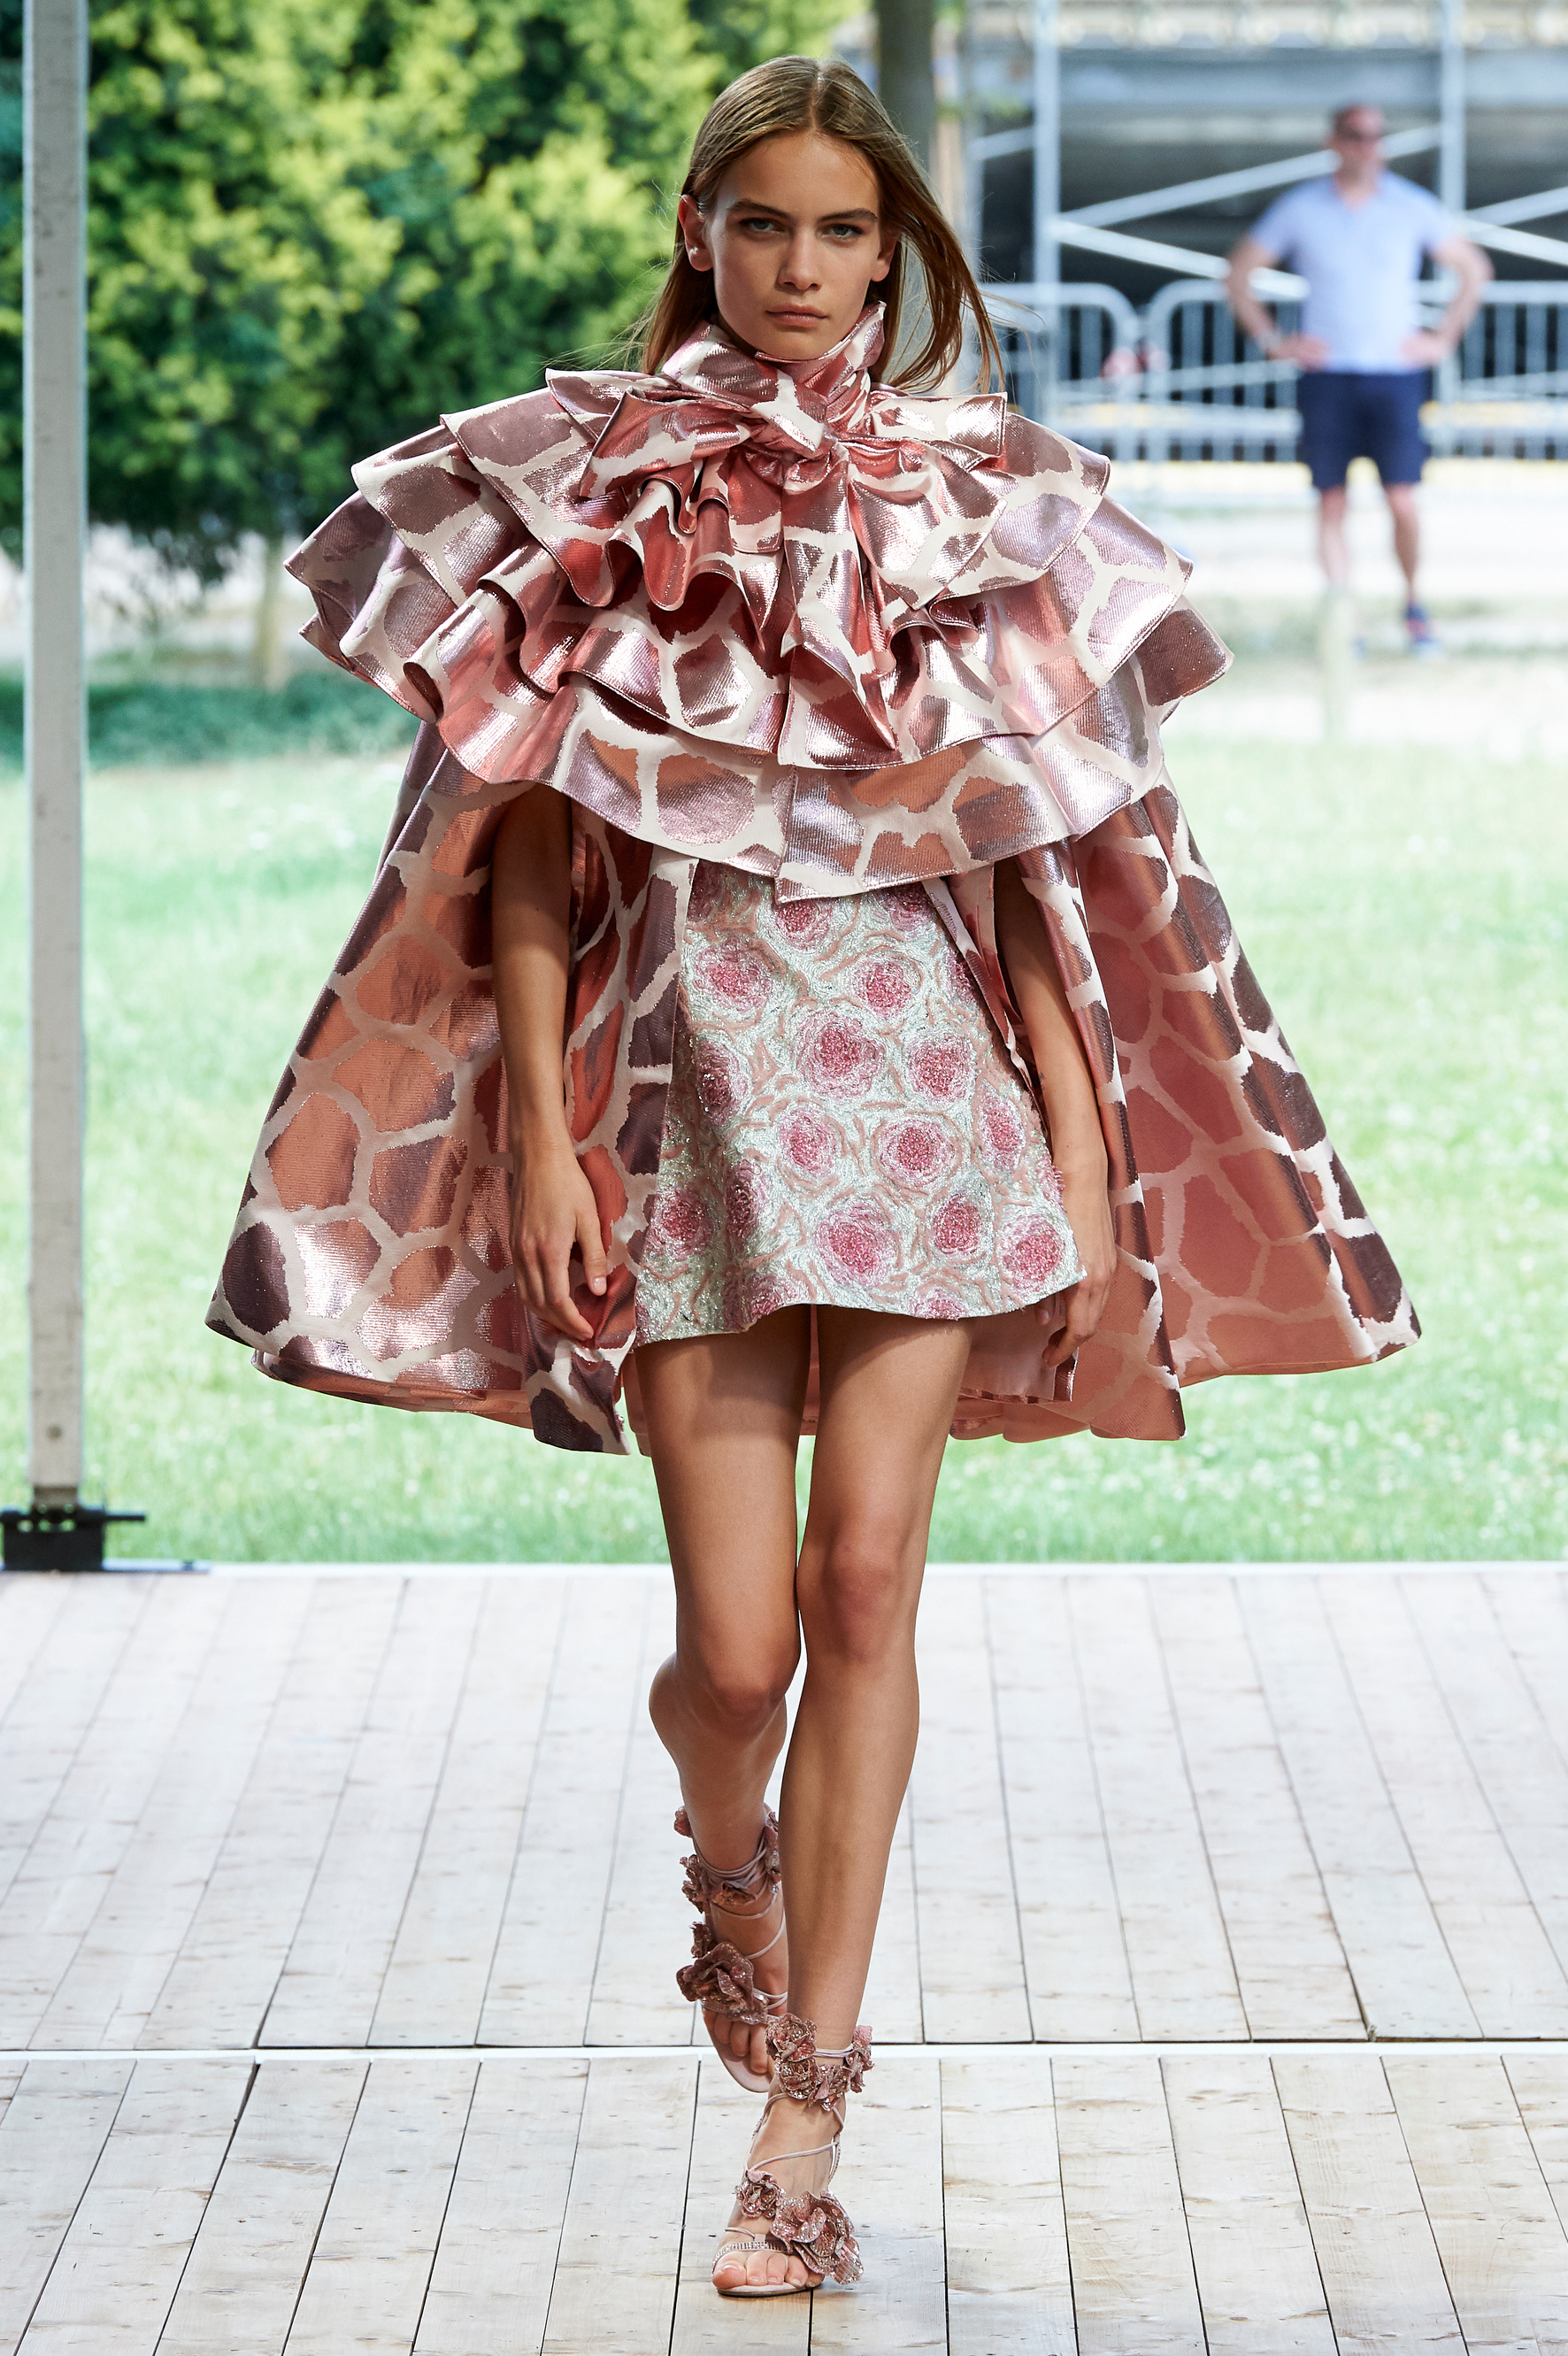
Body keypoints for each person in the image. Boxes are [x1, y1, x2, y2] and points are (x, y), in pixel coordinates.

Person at [210, 57, 1418, 2297]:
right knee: (737, 1650)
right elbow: (532, 859)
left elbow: (1037, 870)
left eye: (844, 231)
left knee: (866, 1593)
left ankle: (805, 2117)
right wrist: (547, 1134)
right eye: (762, 223)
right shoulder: (594, 493)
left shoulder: (977, 505)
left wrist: (1083, 1173)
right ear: (702, 232)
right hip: (686, 1125)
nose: (800, 266)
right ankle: (723, 1854)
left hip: (935, 1115)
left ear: (894, 255)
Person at [1226, 103, 1491, 651]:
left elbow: (1473, 269)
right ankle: (1345, 619)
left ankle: (1414, 606)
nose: (1368, 146)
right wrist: (1274, 341)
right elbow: (1239, 274)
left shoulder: (1411, 205)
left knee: (1403, 500)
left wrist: (1443, 338)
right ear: (1334, 141)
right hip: (1329, 377)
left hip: (1395, 376)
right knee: (1331, 501)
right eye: (1356, 135)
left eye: (1376, 135)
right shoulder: (1301, 207)